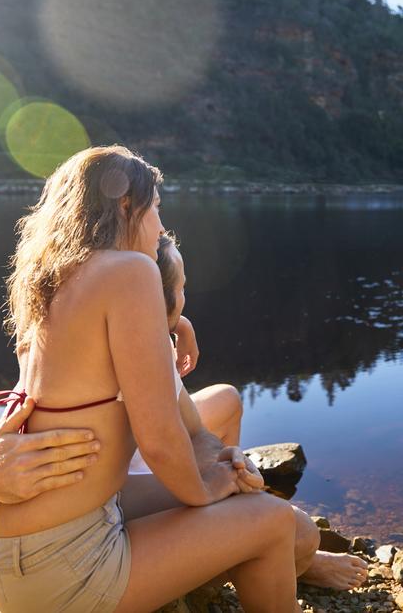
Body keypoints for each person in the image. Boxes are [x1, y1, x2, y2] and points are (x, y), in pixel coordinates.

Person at [0, 146, 299, 612]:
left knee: (235, 488)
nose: (162, 229)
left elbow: (180, 423)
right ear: (126, 205)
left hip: (23, 556)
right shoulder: (131, 271)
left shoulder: (54, 284)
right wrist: (205, 490)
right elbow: (160, 437)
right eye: (158, 210)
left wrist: (218, 465)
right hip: (66, 569)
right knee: (274, 520)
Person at [122, 234, 368, 590]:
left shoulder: (120, 314)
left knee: (227, 399)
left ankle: (234, 518)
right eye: (182, 289)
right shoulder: (139, 354)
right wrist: (209, 487)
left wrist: (178, 324)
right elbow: (160, 444)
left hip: (147, 454)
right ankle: (252, 550)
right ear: (156, 299)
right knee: (301, 535)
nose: (159, 218)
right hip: (135, 488)